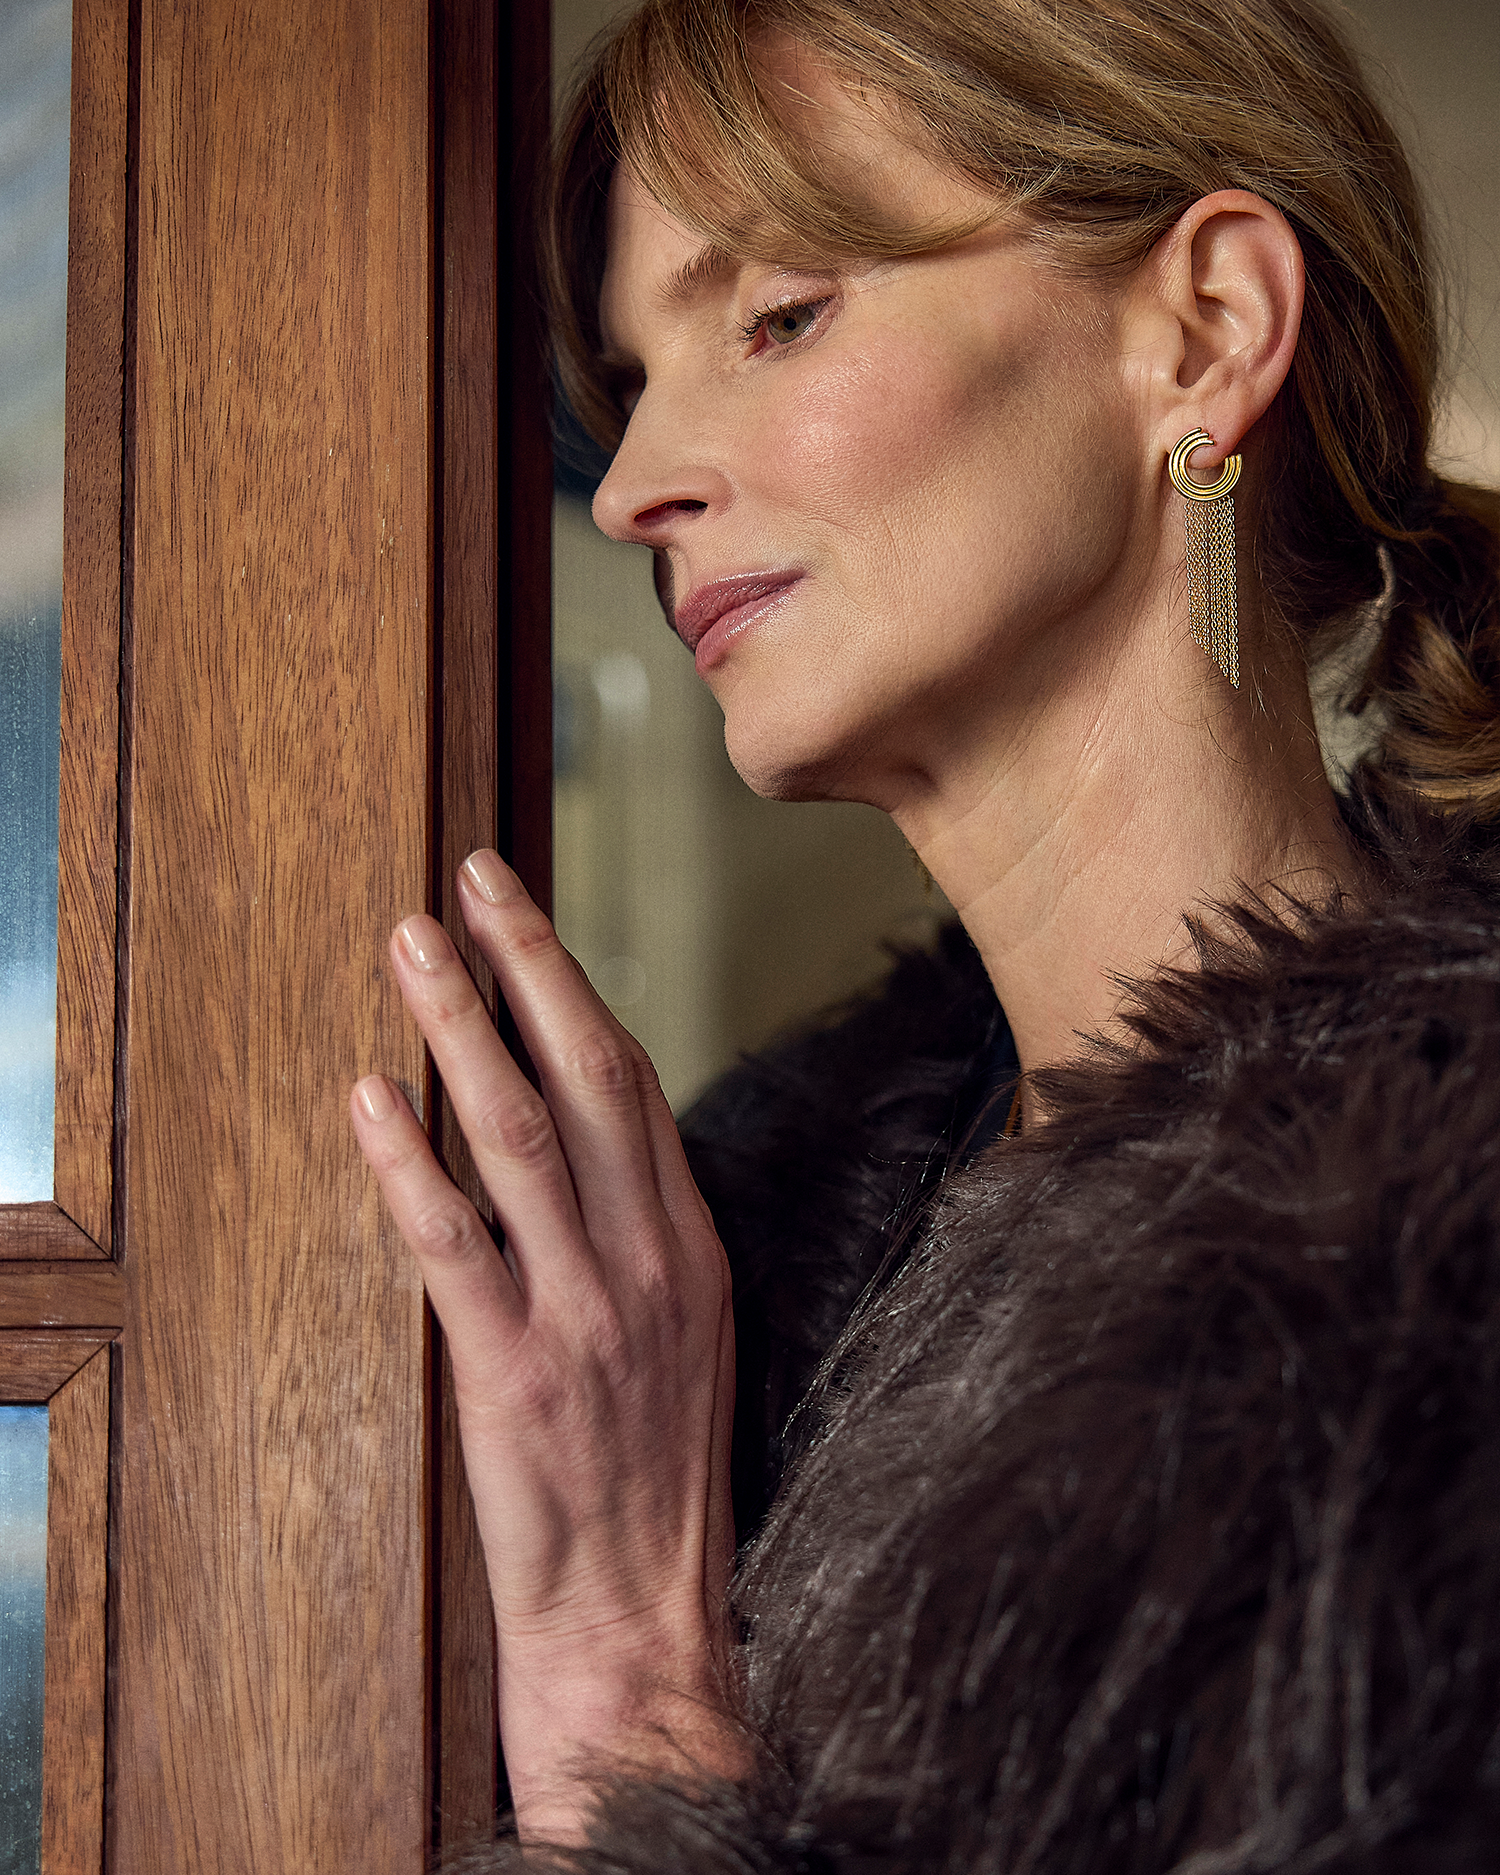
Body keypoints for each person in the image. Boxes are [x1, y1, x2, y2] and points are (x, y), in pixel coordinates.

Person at [351, 0, 1500, 1865]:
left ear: (1206, 328)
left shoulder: (1436, 1307)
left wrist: (632, 1712)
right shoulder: (743, 1258)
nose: (632, 487)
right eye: (637, 378)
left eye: (779, 316)